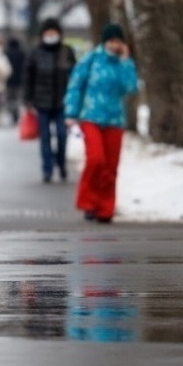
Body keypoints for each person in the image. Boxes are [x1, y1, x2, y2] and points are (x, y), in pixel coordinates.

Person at [64, 22, 139, 223]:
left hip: (114, 119)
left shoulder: (123, 63)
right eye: (112, 41)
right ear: (105, 41)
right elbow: (75, 86)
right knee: (96, 159)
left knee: (111, 166)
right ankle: (89, 203)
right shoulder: (91, 60)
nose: (115, 45)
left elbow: (131, 87)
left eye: (118, 41)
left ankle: (106, 208)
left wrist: (125, 61)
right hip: (91, 117)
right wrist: (71, 113)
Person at [24, 18, 76, 183]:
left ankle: (61, 163)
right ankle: (47, 168)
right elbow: (28, 78)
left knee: (62, 135)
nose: (51, 36)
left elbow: (75, 77)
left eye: (54, 33)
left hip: (63, 102)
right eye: (48, 33)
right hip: (42, 102)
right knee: (45, 137)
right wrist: (28, 100)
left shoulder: (67, 52)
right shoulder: (35, 53)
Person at [4, 37, 27, 124]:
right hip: (19, 80)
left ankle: (11, 112)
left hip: (8, 80)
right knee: (17, 98)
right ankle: (15, 113)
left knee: (10, 98)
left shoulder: (6, 53)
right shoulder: (22, 54)